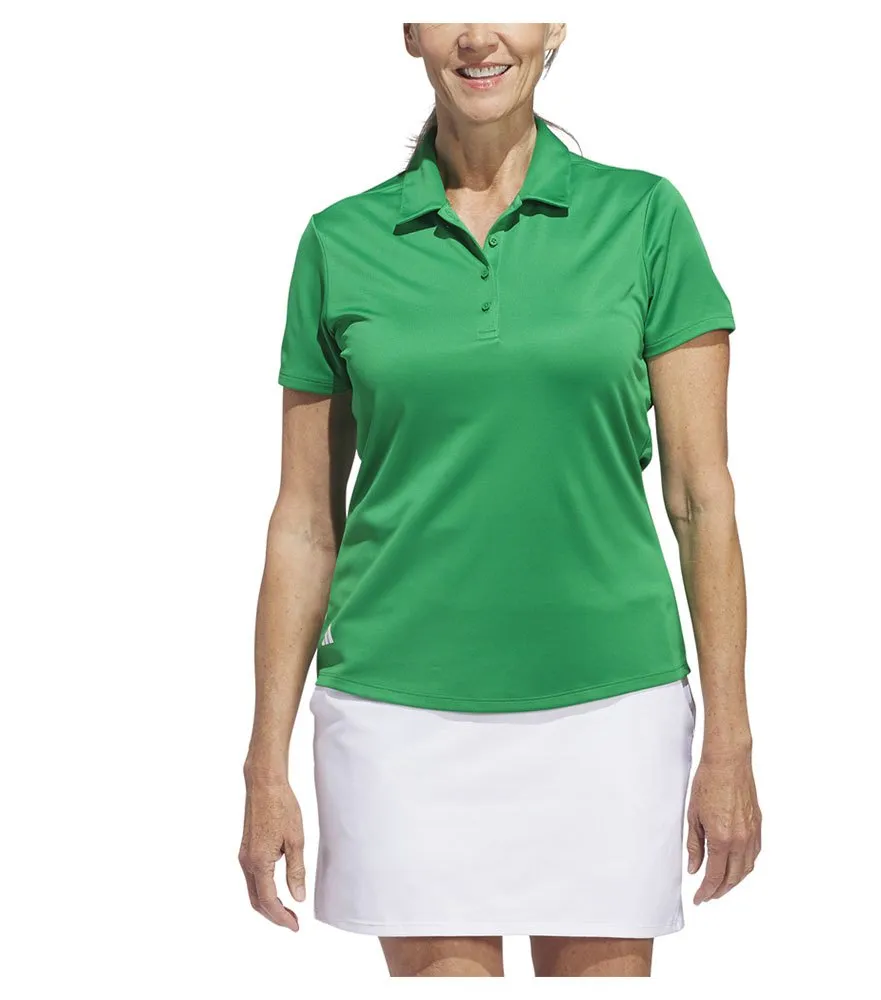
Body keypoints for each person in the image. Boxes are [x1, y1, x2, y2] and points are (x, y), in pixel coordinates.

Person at [239, 22, 761, 978]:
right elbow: (306, 522)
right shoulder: (340, 242)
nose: (479, 34)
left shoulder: (644, 218)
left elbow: (701, 498)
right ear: (410, 32)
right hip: (397, 712)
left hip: (612, 705)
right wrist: (262, 764)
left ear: (556, 24)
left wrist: (730, 739)